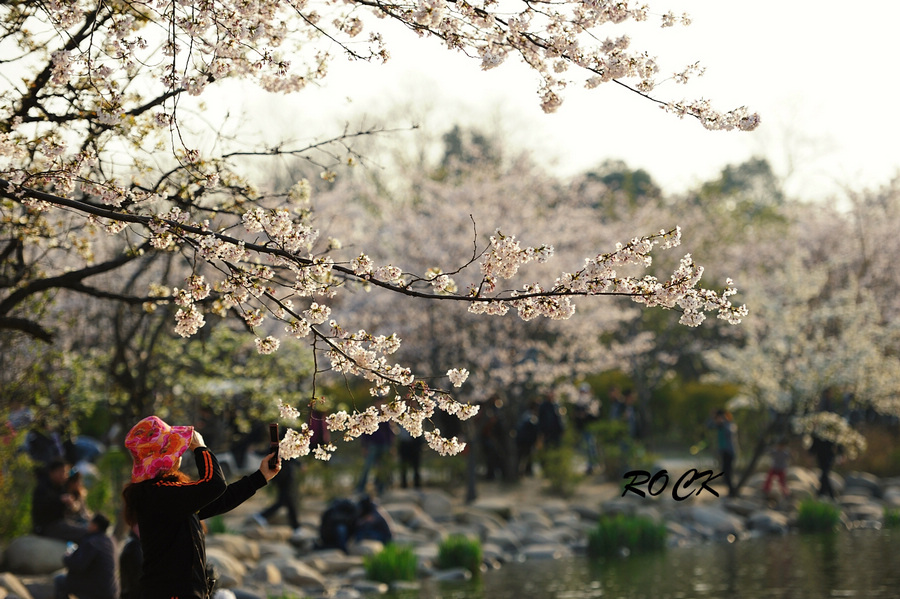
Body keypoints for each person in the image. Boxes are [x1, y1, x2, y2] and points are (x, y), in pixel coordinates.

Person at [122, 415, 280, 599]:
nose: (180, 451)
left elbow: (219, 500)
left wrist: (260, 477)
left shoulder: (161, 493)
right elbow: (214, 485)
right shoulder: (156, 493)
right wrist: (201, 449)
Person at [54, 512, 118, 599]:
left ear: (95, 526)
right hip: (112, 591)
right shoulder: (111, 541)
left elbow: (78, 565)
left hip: (96, 591)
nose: (88, 525)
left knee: (59, 580)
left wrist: (67, 557)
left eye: (90, 522)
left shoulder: (92, 541)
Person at [32, 458, 90, 542]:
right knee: (86, 533)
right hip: (47, 527)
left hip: (60, 523)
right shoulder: (43, 488)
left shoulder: (61, 488)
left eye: (66, 472)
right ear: (52, 472)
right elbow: (43, 507)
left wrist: (72, 505)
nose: (65, 475)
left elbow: (72, 509)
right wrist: (60, 500)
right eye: (62, 472)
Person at [355, 421, 394, 495]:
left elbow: (389, 432)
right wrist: (364, 445)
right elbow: (364, 431)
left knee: (382, 468)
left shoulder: (385, 415)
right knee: (367, 466)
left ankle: (380, 487)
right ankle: (361, 487)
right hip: (372, 444)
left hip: (383, 445)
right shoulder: (369, 415)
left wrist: (390, 445)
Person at [708, 409, 739, 497]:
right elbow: (709, 425)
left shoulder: (730, 425)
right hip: (723, 452)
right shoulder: (719, 426)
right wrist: (712, 417)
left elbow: (730, 431)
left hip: (730, 452)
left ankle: (732, 492)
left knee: (728, 472)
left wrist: (724, 420)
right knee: (724, 473)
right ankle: (731, 491)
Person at [572, 383, 600, 475]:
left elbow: (596, 415)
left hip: (590, 428)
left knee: (591, 446)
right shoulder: (578, 403)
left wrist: (586, 415)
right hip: (582, 429)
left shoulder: (592, 401)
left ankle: (593, 465)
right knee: (585, 448)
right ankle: (589, 465)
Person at [810, 434, 839, 499]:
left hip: (828, 456)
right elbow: (815, 443)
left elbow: (837, 443)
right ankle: (827, 493)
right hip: (821, 456)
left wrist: (840, 452)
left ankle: (823, 492)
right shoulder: (818, 433)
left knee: (825, 473)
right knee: (824, 474)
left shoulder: (832, 432)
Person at [515, 401, 539, 477]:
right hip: (526, 440)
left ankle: (523, 471)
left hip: (523, 439)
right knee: (525, 456)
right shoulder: (530, 417)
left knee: (523, 457)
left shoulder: (525, 414)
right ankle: (524, 472)